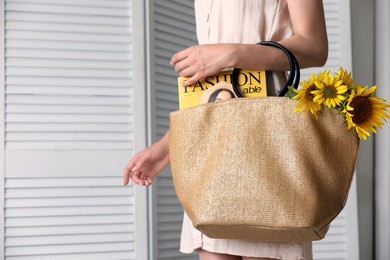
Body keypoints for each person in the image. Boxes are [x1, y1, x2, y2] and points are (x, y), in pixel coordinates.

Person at [123, 0, 328, 259]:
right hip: (213, 151)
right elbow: (215, 88)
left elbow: (315, 46)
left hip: (266, 141)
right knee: (212, 240)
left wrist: (229, 54)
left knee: (270, 231)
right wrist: (166, 147)